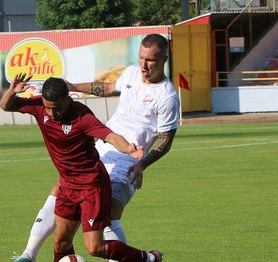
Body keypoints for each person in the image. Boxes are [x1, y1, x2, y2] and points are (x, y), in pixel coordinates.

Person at [13, 33, 178, 262]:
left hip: (129, 159)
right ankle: (28, 254)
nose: (144, 65)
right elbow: (108, 87)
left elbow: (166, 141)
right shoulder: (131, 72)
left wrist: (142, 164)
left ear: (164, 59)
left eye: (150, 60)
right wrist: (73, 86)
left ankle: (144, 259)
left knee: (109, 213)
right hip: (102, 148)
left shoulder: (167, 96)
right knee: (60, 190)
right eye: (141, 58)